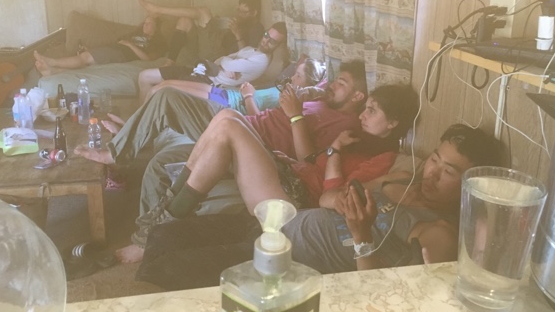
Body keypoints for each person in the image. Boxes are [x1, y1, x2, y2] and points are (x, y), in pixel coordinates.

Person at [135, 124, 504, 290]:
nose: (432, 173)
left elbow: (382, 294)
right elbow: (328, 197)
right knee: (163, 235)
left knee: (168, 270)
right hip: (275, 226)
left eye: (449, 171)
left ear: (470, 185)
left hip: (285, 263)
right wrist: (337, 199)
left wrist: (362, 236)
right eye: (435, 159)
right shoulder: (398, 182)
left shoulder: (438, 232)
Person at [76, 60, 369, 262]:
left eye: (341, 83)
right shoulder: (323, 100)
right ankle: (152, 234)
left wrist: (295, 115)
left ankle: (119, 160)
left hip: (258, 148)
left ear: (357, 96)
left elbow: (307, 159)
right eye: (334, 81)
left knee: (177, 101)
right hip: (249, 126)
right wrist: (308, 94)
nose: (332, 86)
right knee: (166, 150)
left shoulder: (345, 125)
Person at [101, 57, 326, 135]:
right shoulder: (288, 89)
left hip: (228, 104)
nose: (292, 78)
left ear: (309, 83)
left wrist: (248, 96)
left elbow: (258, 121)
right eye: (294, 73)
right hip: (227, 94)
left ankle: (129, 129)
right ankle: (132, 125)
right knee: (162, 85)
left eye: (298, 76)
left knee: (163, 91)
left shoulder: (291, 102)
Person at [136, 0, 265, 99]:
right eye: (239, 10)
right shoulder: (240, 22)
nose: (239, 14)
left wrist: (237, 35)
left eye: (244, 12)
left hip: (216, 57)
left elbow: (245, 54)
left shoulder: (257, 30)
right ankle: (170, 61)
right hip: (211, 50)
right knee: (184, 21)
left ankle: (157, 9)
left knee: (204, 12)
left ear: (254, 13)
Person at [138, 21, 287, 104]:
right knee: (144, 76)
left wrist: (225, 62)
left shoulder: (261, 60)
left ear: (279, 45)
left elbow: (225, 61)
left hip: (207, 81)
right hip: (202, 69)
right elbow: (221, 59)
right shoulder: (251, 49)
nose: (266, 41)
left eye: (273, 41)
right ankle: (139, 120)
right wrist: (224, 63)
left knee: (155, 90)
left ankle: (142, 129)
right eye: (267, 35)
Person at [33, 15, 165, 77]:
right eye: (145, 22)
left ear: (156, 28)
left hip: (121, 55)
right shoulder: (134, 34)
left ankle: (52, 62)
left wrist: (130, 45)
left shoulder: (156, 42)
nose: (145, 25)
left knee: (85, 58)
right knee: (86, 65)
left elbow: (148, 59)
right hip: (113, 50)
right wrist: (93, 50)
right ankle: (53, 71)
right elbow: (114, 43)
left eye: (149, 23)